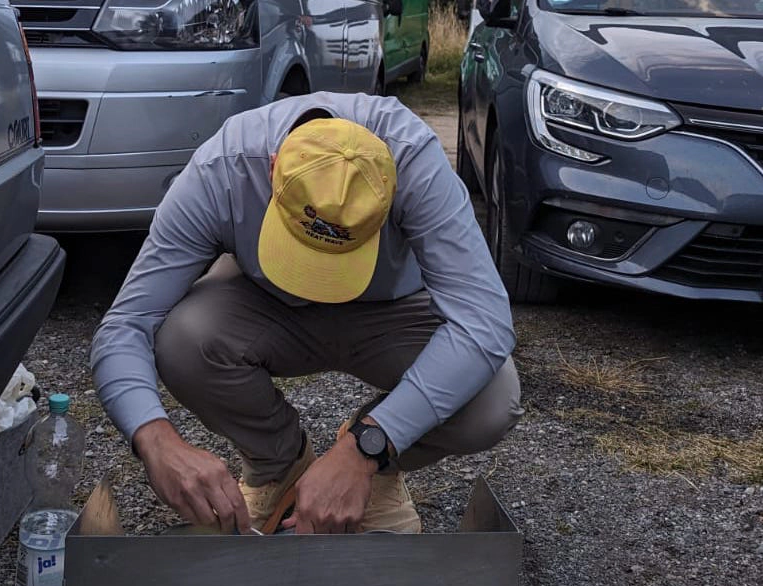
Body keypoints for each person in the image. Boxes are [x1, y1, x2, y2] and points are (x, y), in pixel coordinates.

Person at [92, 92, 523, 535]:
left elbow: (484, 322)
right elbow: (126, 324)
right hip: (267, 307)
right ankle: (279, 468)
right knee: (183, 338)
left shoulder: (413, 160)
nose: (321, 284)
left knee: (491, 399)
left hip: (389, 313)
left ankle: (373, 470)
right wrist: (156, 439)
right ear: (273, 166)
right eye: (303, 249)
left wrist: (369, 444)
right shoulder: (222, 170)